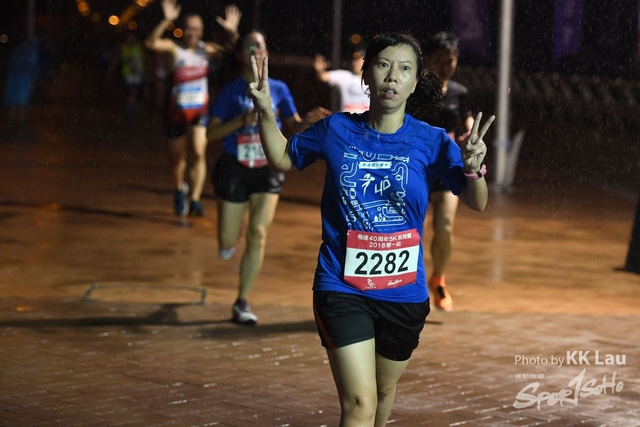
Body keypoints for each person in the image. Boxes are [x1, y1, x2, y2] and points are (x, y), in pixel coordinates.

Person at [247, 32, 494, 426]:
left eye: (404, 69)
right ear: (366, 75)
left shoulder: (431, 141)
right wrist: (264, 111)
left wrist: (474, 167)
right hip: (341, 286)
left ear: (415, 82)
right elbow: (281, 158)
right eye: (383, 65)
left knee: (380, 391)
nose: (392, 76)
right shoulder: (336, 130)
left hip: (404, 292)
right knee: (359, 404)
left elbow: (477, 200)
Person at [207, 30, 330, 325]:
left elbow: (293, 125)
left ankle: (242, 300)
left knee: (259, 233)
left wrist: (308, 121)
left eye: (260, 46)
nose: (255, 51)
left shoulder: (279, 89)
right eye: (249, 47)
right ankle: (232, 233)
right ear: (240, 55)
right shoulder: (231, 90)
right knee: (227, 239)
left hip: (267, 168)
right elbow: (210, 133)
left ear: (267, 54)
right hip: (235, 167)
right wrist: (242, 120)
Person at [145, 0, 241, 216]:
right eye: (189, 28)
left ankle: (195, 199)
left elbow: (234, 51)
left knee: (198, 152)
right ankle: (180, 190)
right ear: (182, 29)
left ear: (202, 31)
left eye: (197, 29)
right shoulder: (173, 48)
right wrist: (166, 21)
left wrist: (232, 32)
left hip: (199, 111)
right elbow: (150, 42)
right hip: (175, 112)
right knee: (177, 158)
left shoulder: (206, 50)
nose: (192, 33)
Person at [422, 32, 474, 312]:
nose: (444, 65)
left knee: (444, 227)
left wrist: (472, 138)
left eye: (450, 60)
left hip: (446, 167)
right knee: (412, 230)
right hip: (416, 167)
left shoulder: (458, 92)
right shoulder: (414, 89)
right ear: (428, 59)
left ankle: (438, 279)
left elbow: (467, 123)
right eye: (439, 59)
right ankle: (409, 282)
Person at [107, 31, 148, 128]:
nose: (130, 40)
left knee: (139, 98)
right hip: (128, 77)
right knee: (131, 96)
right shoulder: (123, 48)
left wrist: (148, 74)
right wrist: (110, 71)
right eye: (128, 38)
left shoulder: (140, 47)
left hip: (139, 77)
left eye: (132, 38)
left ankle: (136, 116)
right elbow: (116, 60)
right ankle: (132, 117)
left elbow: (148, 60)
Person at [313, 46, 370, 113]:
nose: (354, 62)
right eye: (354, 60)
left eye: (358, 60)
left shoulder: (373, 78)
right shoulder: (346, 77)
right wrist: (320, 70)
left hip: (367, 118)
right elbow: (323, 76)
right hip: (348, 118)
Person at [3, 26, 39, 126]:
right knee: (21, 99)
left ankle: (14, 119)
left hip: (18, 77)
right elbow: (32, 66)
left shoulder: (17, 50)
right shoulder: (28, 50)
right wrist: (33, 80)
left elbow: (13, 65)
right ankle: (19, 119)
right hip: (22, 78)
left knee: (15, 99)